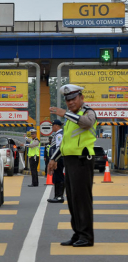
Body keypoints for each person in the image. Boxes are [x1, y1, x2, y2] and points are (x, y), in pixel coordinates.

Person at [48, 84, 97, 247]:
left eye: (73, 99)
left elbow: (87, 124)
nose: (70, 102)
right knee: (73, 200)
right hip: (70, 162)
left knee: (82, 200)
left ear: (81, 98)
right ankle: (78, 233)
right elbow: (65, 144)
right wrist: (53, 159)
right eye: (67, 100)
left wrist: (66, 114)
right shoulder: (69, 120)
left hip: (83, 161)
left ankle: (86, 236)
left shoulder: (88, 112)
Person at [47, 120, 65, 203]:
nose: (52, 127)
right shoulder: (58, 134)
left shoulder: (59, 135)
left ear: (56, 126)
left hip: (58, 159)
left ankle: (59, 196)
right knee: (56, 177)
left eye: (52, 125)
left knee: (59, 177)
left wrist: (55, 159)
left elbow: (59, 148)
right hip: (57, 158)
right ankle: (57, 196)